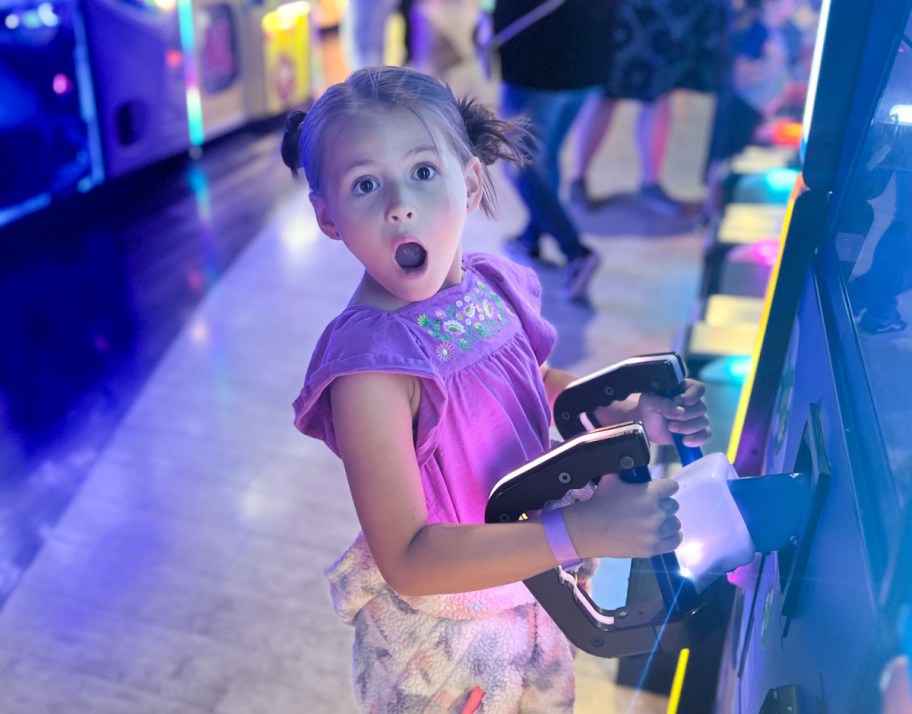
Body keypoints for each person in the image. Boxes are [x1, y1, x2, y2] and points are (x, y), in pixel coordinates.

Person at [282, 65, 711, 712]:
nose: (399, 203)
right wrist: (582, 531)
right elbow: (408, 555)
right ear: (329, 218)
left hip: (531, 590)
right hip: (444, 645)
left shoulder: (486, 288)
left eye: (423, 172)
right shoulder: (369, 370)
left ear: (471, 179)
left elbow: (522, 383)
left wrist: (625, 412)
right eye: (365, 185)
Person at [493, 0, 611, 301]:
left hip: (538, 60)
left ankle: (576, 252)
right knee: (546, 155)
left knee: (520, 163)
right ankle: (530, 237)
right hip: (590, 54)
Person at [568, 0, 725, 215]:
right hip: (633, 11)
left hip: (676, 12)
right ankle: (579, 179)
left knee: (659, 94)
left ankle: (650, 182)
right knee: (609, 91)